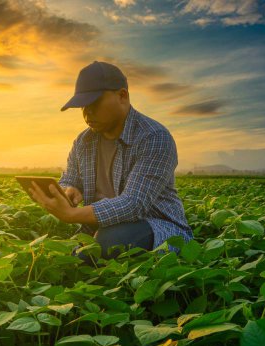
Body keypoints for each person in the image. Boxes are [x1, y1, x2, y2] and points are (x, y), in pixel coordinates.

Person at [28, 60, 193, 260]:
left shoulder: (154, 137)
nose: (87, 112)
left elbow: (134, 204)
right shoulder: (84, 141)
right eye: (82, 106)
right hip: (100, 227)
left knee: (110, 241)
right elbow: (70, 178)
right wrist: (69, 190)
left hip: (155, 224)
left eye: (94, 103)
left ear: (122, 96)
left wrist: (71, 216)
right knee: (56, 252)